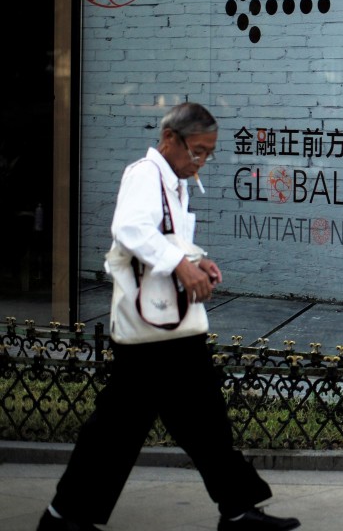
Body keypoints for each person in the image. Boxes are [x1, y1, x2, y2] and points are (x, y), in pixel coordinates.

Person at [39, 103, 300, 531]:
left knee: (199, 422)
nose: (201, 161)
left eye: (208, 153)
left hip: (170, 329)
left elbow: (166, 241)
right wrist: (181, 264)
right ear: (170, 140)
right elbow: (130, 230)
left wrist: (198, 261)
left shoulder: (173, 182)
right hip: (153, 333)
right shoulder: (145, 174)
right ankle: (64, 517)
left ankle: (237, 511)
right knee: (125, 430)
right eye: (197, 150)